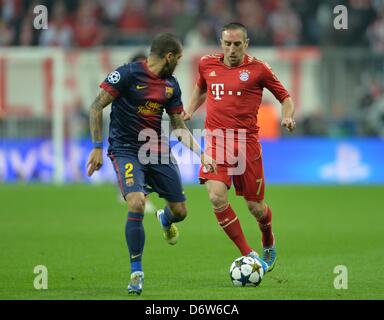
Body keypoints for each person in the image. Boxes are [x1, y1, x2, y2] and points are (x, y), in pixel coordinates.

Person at [86, 33, 215, 295]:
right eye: (178, 59)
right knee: (136, 202)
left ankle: (165, 220)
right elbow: (96, 107)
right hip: (126, 150)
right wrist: (98, 148)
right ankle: (137, 272)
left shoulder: (171, 85)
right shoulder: (127, 74)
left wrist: (201, 154)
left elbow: (178, 127)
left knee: (180, 211)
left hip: (157, 151)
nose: (178, 64)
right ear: (169, 57)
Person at [184, 23, 296, 273]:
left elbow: (285, 98)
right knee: (216, 196)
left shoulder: (259, 69)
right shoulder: (207, 64)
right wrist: (190, 109)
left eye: (237, 44)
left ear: (246, 43)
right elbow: (201, 88)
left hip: (246, 143)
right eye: (227, 43)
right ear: (221, 43)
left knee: (255, 207)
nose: (231, 49)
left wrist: (287, 116)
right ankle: (249, 254)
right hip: (216, 140)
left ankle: (267, 237)